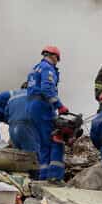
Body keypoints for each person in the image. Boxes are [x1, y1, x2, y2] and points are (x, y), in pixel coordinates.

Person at [22, 46, 66, 181]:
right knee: (55, 140)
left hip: (31, 107)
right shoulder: (48, 68)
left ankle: (43, 176)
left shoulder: (36, 68)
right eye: (57, 60)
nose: (56, 62)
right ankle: (53, 178)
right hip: (42, 107)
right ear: (54, 56)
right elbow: (47, 89)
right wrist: (60, 106)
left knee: (43, 143)